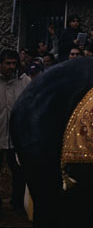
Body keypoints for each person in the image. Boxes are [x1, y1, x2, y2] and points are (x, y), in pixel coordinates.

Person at [0, 49, 30, 212]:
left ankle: (17, 203)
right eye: (7, 63)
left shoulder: (23, 81)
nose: (11, 67)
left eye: (14, 63)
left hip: (16, 136)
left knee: (19, 172)